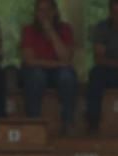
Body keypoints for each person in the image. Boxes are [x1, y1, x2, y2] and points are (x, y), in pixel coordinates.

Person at [19, 0, 77, 131]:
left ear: (55, 11)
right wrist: (58, 64)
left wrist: (51, 31)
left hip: (58, 73)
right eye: (40, 10)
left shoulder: (65, 29)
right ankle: (34, 123)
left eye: (47, 10)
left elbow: (66, 57)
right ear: (36, 13)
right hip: (35, 72)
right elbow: (30, 61)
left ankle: (68, 122)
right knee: (36, 75)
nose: (44, 14)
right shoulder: (28, 30)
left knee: (67, 76)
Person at [86, 0, 118, 133]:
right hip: (110, 71)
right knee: (96, 74)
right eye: (115, 12)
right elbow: (99, 58)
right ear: (110, 12)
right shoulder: (102, 28)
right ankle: (93, 120)